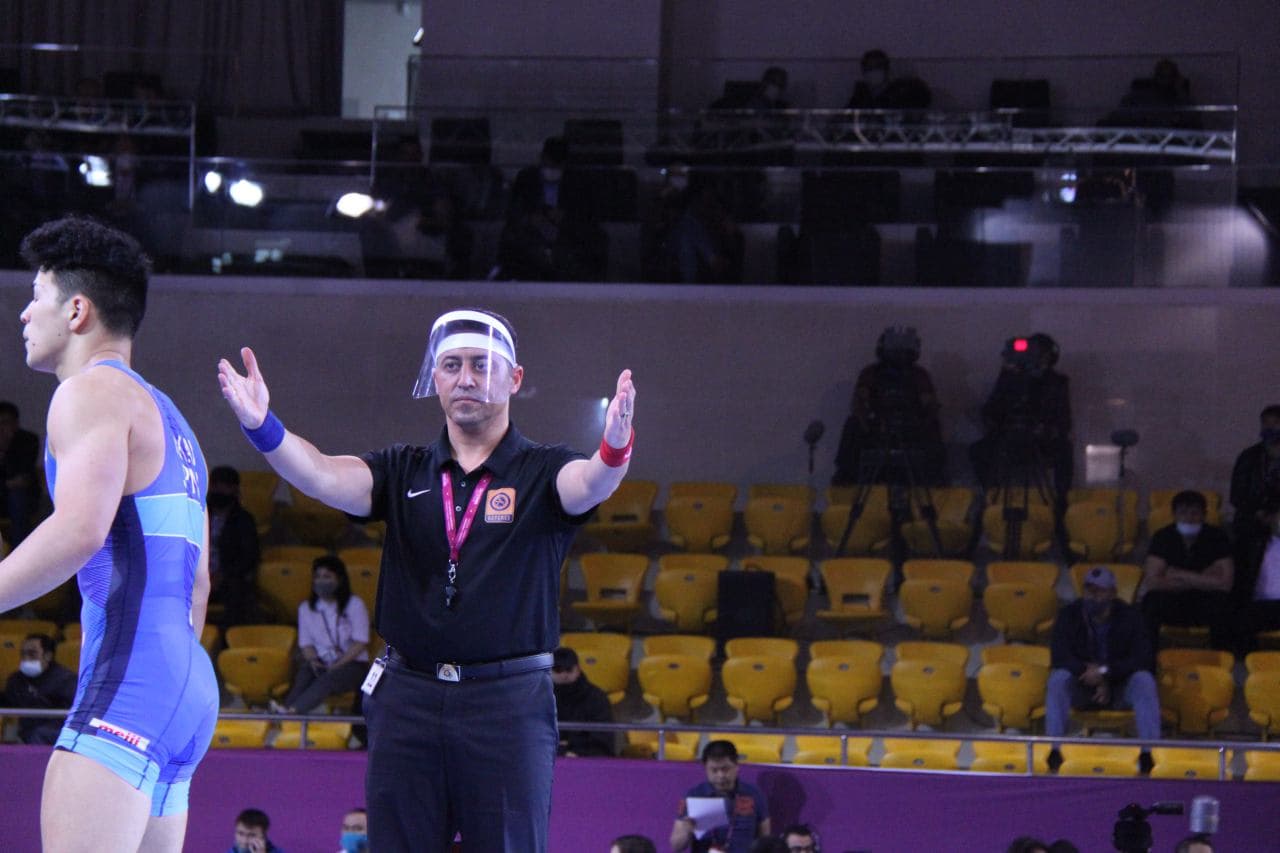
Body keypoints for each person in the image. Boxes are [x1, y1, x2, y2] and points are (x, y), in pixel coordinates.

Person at [217, 307, 636, 853]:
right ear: (435, 377)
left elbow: (590, 483)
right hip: (407, 695)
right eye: (452, 365)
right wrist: (262, 427)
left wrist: (614, 447)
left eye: (482, 365)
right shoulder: (403, 468)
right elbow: (321, 474)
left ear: (514, 378)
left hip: (506, 703)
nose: (466, 378)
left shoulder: (542, 468)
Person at [5, 216, 218, 852]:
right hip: (184, 687)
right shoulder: (177, 426)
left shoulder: (89, 393)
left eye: (36, 296)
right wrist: (161, 678)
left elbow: (79, 532)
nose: (24, 314)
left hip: (132, 681)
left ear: (77, 311)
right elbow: (199, 584)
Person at [1045, 566, 1159, 774]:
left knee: (1144, 680)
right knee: (1058, 679)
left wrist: (1105, 673)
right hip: (1083, 684)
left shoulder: (1131, 616)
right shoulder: (1069, 614)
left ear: (1113, 593)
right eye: (1089, 590)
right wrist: (1089, 673)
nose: (1093, 596)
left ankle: (1149, 754)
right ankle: (1054, 750)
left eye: (1099, 591)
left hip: (1119, 686)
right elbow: (1060, 656)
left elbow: (1143, 659)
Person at [832, 325, 946, 486]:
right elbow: (859, 402)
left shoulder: (919, 375)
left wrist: (923, 420)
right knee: (853, 424)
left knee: (933, 427)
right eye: (894, 350)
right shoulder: (871, 373)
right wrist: (865, 423)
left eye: (903, 351)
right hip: (877, 428)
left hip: (911, 429)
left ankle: (936, 479)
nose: (898, 355)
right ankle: (846, 477)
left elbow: (929, 403)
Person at [968, 333, 1073, 500]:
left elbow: (1063, 418)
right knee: (978, 451)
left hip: (1041, 440)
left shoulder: (1057, 381)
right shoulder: (1009, 378)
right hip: (1008, 437)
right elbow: (990, 410)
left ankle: (1062, 500)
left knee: (1065, 450)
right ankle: (987, 497)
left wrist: (1045, 428)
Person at [272, 554, 370, 715]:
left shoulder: (355, 604)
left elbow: (360, 643)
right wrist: (314, 660)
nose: (321, 581)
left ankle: (293, 712)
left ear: (339, 579)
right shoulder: (306, 608)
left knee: (328, 678)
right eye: (318, 577)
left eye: (327, 576)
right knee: (305, 672)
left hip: (352, 664)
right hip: (322, 661)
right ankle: (285, 710)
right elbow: (306, 644)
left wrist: (337, 665)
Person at [1140, 490, 1234, 651]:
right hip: (1173, 599)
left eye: (1194, 513)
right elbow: (1153, 582)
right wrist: (1203, 578)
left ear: (1204, 515)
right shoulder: (1163, 536)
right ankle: (1148, 657)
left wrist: (1180, 574)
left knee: (1224, 604)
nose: (1189, 518)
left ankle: (1220, 656)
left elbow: (1225, 584)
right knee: (1151, 602)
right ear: (1174, 515)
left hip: (1205, 600)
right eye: (1183, 513)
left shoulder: (1218, 537)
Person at [671, 739, 771, 853]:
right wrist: (686, 830)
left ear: (736, 766)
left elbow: (765, 841)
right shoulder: (693, 796)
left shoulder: (754, 794)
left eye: (725, 769)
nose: (721, 776)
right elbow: (676, 846)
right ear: (705, 768)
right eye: (714, 770)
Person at [1229, 405, 1280, 607]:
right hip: (1251, 525)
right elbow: (1237, 494)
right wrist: (1259, 513)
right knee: (1245, 578)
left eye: (1275, 423)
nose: (1270, 428)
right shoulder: (1249, 457)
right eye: (1265, 423)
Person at [207, 464, 262, 627]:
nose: (219, 490)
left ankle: (230, 637)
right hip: (198, 576)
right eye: (216, 485)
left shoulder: (244, 520)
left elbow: (249, 557)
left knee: (238, 590)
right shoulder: (198, 514)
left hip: (227, 579)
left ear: (235, 490)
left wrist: (222, 575)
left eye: (224, 486)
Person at [3, 633, 78, 745]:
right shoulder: (15, 680)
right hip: (25, 731)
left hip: (56, 732)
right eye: (23, 654)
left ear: (48, 656)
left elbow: (70, 716)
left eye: (32, 654)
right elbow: (8, 704)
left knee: (39, 734)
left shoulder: (67, 680)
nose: (26, 658)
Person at [552, 645, 615, 757]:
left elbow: (603, 739)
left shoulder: (597, 698)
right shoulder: (540, 697)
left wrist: (572, 748)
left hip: (587, 755)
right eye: (558, 669)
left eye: (569, 669)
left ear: (578, 669)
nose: (564, 674)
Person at [0, 399, 40, 545]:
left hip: (21, 497)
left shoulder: (28, 440)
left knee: (18, 497)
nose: (1, 428)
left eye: (5, 422)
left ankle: (19, 550)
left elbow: (22, 475)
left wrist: (5, 448)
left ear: (15, 423)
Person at [846, 49, 932, 111]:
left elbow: (924, 99)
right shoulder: (861, 93)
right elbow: (847, 116)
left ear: (887, 70)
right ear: (863, 71)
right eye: (869, 67)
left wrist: (913, 81)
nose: (873, 71)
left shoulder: (900, 91)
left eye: (878, 66)